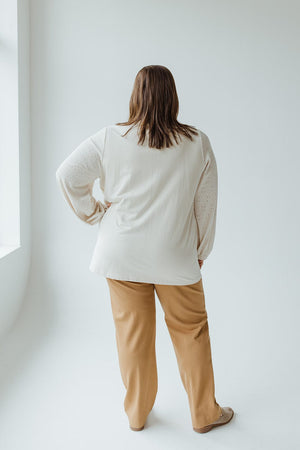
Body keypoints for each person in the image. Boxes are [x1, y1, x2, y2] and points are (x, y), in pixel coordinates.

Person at [55, 65, 234, 433]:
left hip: (121, 254)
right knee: (192, 331)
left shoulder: (109, 138)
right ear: (173, 97)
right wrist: (201, 250)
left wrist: (94, 214)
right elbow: (206, 206)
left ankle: (137, 413)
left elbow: (67, 175)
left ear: (135, 95)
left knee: (133, 336)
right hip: (175, 255)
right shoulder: (197, 142)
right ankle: (204, 413)